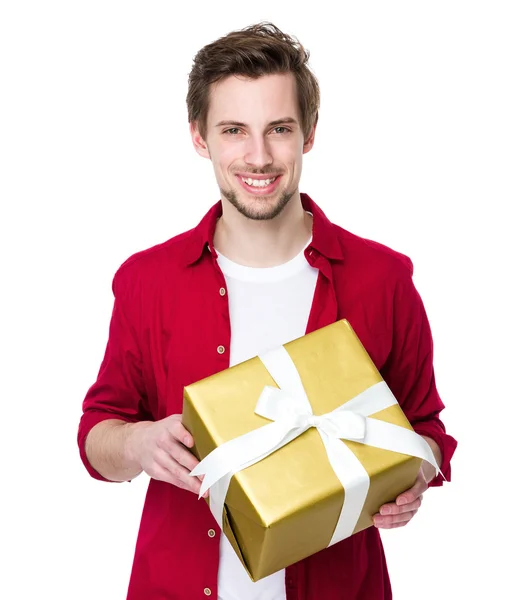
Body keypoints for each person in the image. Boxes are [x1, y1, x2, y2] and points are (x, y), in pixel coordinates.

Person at [78, 22, 457, 600]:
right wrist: (137, 445)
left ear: (308, 134)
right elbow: (97, 436)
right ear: (200, 137)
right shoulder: (146, 282)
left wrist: (414, 478)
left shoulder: (383, 279)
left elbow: (425, 429)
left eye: (279, 129)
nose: (259, 156)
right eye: (234, 130)